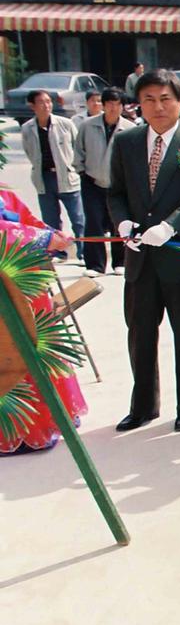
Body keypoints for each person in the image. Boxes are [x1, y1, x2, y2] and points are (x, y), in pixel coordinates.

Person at [107, 68, 180, 433]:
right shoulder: (126, 143)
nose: (158, 107)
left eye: (165, 99)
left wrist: (169, 226)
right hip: (140, 258)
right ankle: (142, 406)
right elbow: (115, 192)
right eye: (149, 100)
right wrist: (123, 223)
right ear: (137, 105)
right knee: (140, 332)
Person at [0, 189, 86, 455]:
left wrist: (52, 234)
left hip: (27, 293)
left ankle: (49, 418)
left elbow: (29, 222)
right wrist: (45, 238)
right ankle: (16, 431)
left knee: (37, 348)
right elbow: (7, 232)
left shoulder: (4, 194)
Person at [74, 87, 134, 277]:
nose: (113, 108)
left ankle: (120, 261)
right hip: (92, 182)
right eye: (109, 104)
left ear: (123, 107)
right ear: (103, 105)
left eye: (117, 105)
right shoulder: (87, 125)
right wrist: (82, 171)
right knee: (93, 223)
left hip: (118, 184)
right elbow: (79, 151)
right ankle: (95, 265)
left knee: (119, 223)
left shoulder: (131, 129)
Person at [20, 90, 85, 260]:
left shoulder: (65, 124)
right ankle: (57, 252)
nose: (46, 105)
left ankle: (83, 251)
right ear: (32, 106)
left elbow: (77, 147)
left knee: (78, 218)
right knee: (50, 220)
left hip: (67, 176)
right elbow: (29, 152)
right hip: (44, 177)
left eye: (48, 101)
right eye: (41, 102)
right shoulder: (27, 128)